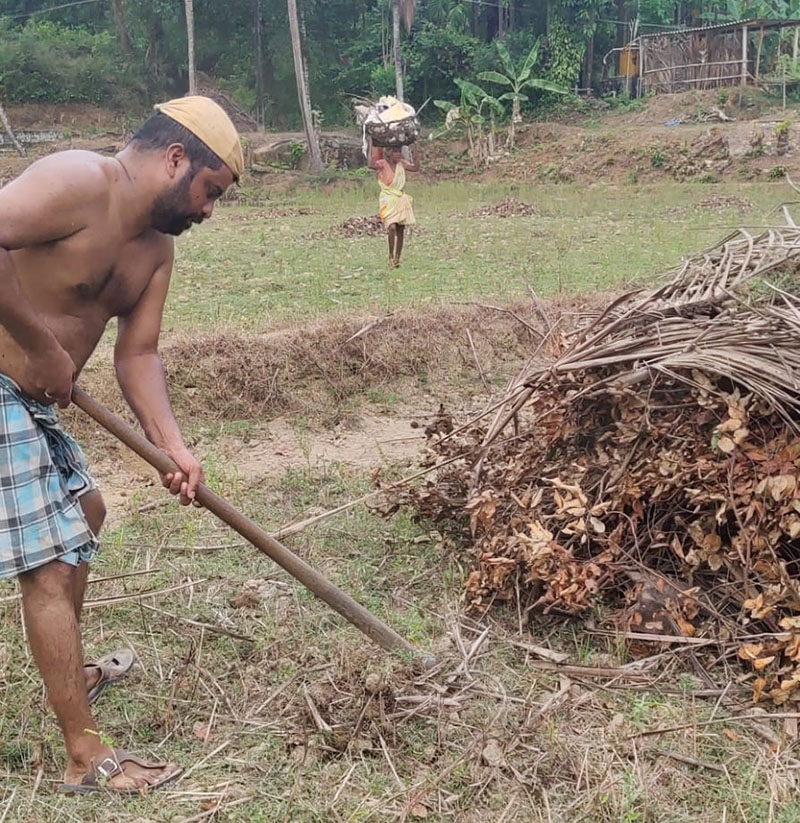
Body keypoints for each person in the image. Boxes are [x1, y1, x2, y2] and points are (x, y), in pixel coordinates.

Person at [0, 96, 243, 795]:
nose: (208, 211)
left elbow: (138, 356)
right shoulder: (79, 181)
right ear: (175, 158)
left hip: (35, 397)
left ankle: (65, 671)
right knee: (48, 563)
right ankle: (85, 752)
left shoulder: (155, 252)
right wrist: (42, 346)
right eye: (209, 191)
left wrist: (174, 447)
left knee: (88, 513)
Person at [368, 141, 420, 268]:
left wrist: (416, 149)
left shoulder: (402, 164)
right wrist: (371, 143)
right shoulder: (382, 164)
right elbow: (370, 165)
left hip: (400, 198)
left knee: (401, 228)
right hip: (387, 199)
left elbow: (416, 168)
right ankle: (390, 256)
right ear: (389, 153)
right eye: (395, 151)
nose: (398, 154)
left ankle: (397, 259)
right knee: (391, 227)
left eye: (399, 151)